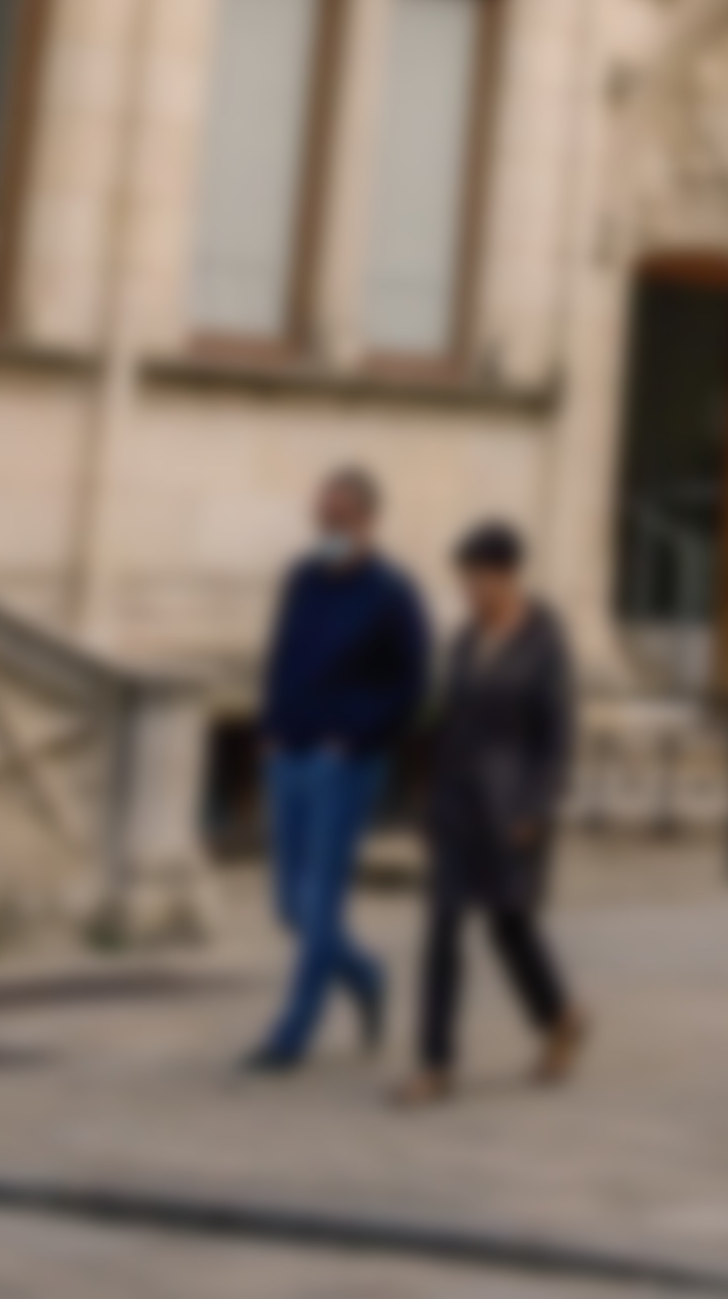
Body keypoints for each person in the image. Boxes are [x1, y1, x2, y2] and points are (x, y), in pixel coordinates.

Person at [245, 467, 429, 1072]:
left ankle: (290, 1035)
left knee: (320, 901)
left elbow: (412, 686)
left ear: (367, 522)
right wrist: (269, 729)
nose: (327, 528)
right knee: (289, 906)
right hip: (286, 754)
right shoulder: (302, 578)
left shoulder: (392, 593)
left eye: (339, 519)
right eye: (321, 518)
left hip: (343, 765)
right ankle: (367, 975)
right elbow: (281, 655)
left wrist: (353, 737)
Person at [399, 522, 585, 1103]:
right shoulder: (462, 640)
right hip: (455, 805)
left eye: (480, 579)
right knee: (442, 930)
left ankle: (559, 1017)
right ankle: (435, 1064)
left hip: (511, 809)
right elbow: (445, 723)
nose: (472, 591)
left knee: (510, 929)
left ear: (507, 577)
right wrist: (427, 802)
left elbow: (557, 737)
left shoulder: (544, 643)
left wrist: (536, 806)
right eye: (466, 580)